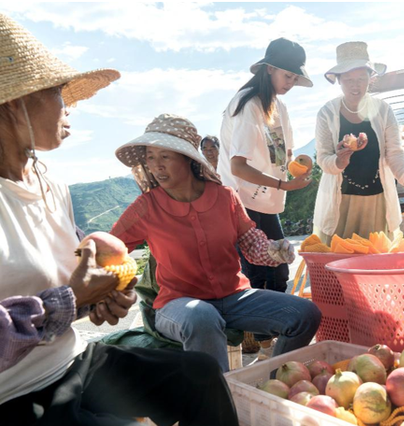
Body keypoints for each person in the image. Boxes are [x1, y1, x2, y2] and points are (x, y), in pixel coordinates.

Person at [0, 15, 237, 426]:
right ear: (14, 103)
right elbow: (67, 295)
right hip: (15, 394)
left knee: (199, 374)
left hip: (73, 363)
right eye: (58, 92)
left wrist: (106, 294)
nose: (68, 105)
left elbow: (78, 270)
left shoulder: (48, 182)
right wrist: (70, 302)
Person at [111, 113, 321, 372]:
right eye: (150, 158)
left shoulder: (225, 197)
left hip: (234, 298)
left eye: (165, 156)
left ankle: (275, 383)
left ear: (187, 158)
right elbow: (110, 248)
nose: (156, 166)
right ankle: (221, 397)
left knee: (305, 314)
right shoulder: (146, 207)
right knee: (202, 315)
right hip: (177, 306)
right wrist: (111, 283)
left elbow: (251, 242)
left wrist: (273, 251)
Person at [219, 38, 312, 300]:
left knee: (279, 269)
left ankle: (271, 335)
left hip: (266, 201)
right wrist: (285, 185)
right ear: (269, 68)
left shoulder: (278, 105)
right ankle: (258, 339)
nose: (291, 83)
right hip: (241, 202)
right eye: (287, 75)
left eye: (295, 77)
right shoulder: (248, 104)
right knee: (257, 274)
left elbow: (283, 154)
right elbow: (238, 167)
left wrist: (299, 167)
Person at [313, 41, 404, 243]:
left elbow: (395, 152)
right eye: (348, 79)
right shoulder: (327, 113)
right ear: (339, 80)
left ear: (370, 78)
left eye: (361, 78)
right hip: (340, 203)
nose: (355, 85)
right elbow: (323, 158)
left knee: (373, 258)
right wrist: (339, 162)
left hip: (376, 201)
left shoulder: (383, 110)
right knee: (338, 259)